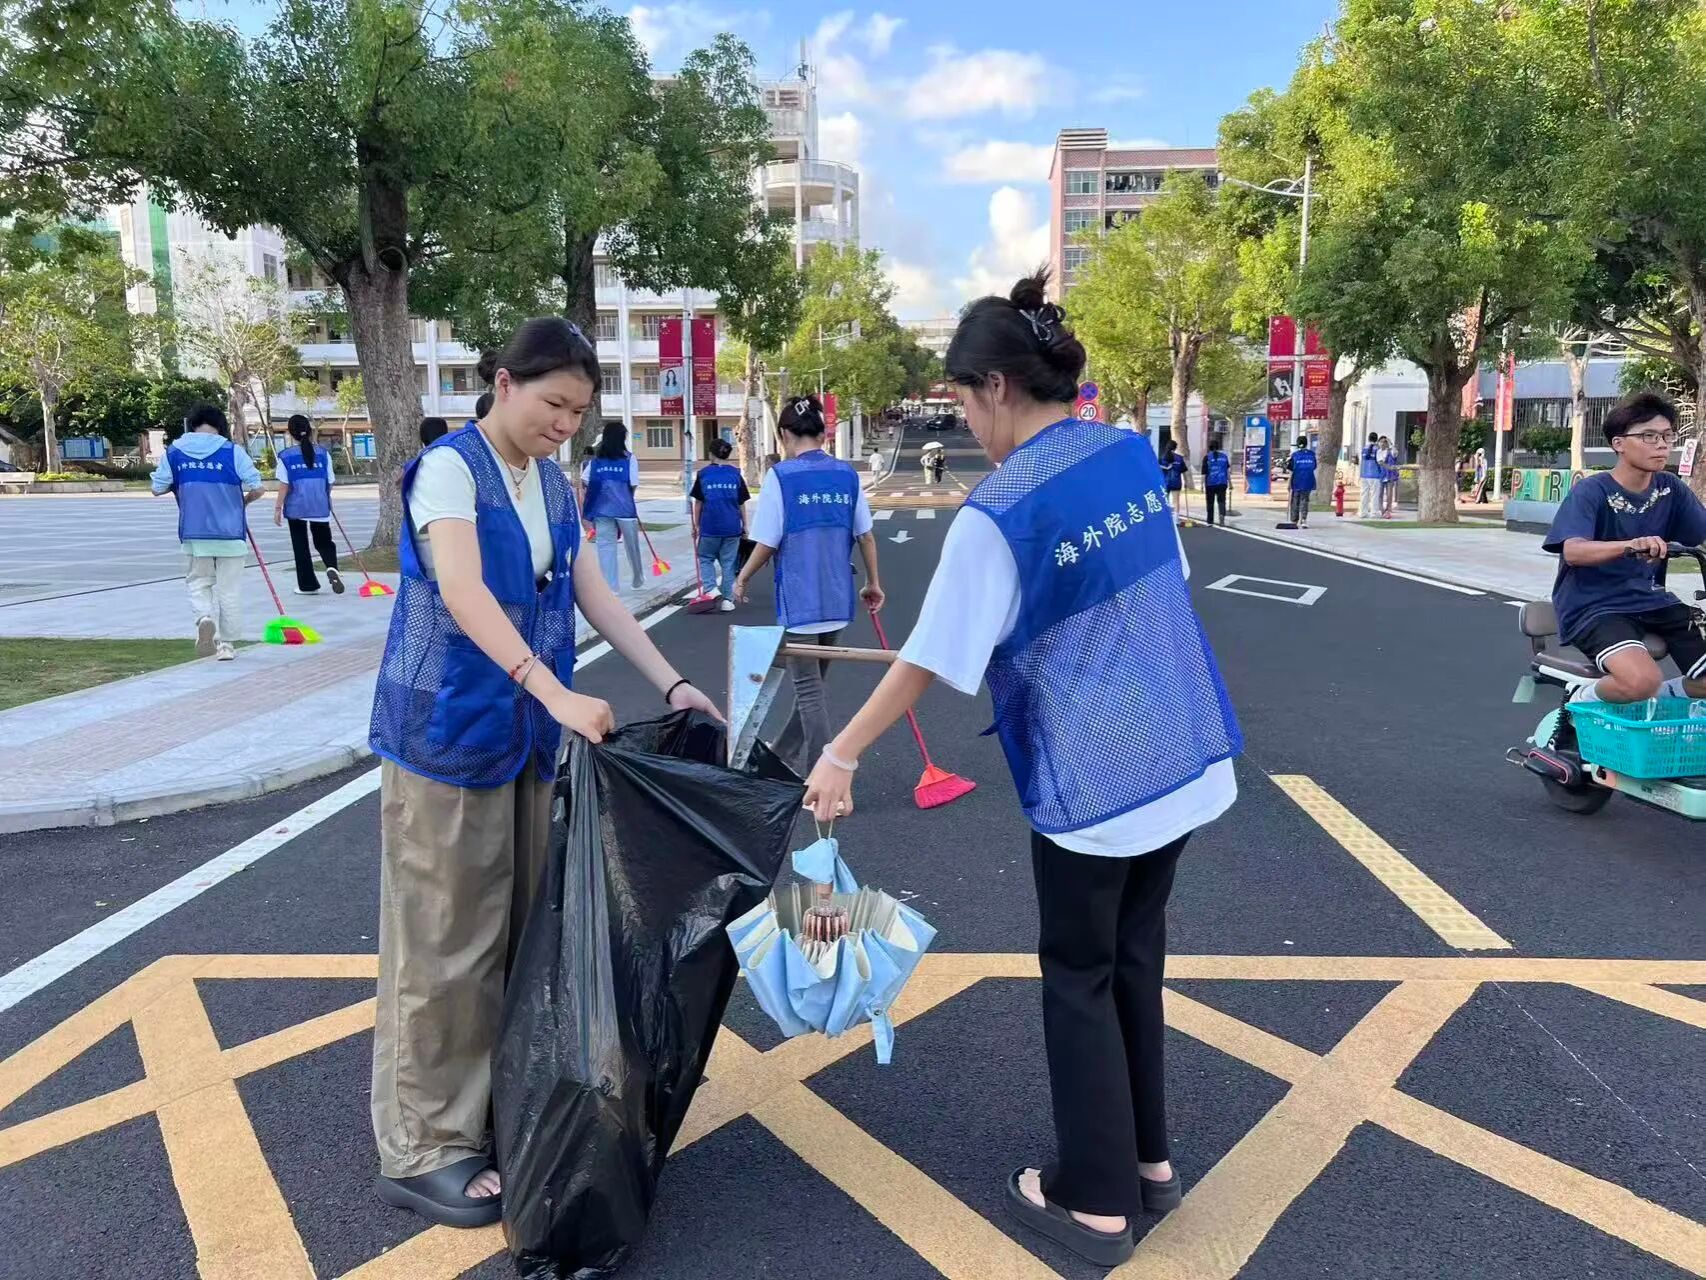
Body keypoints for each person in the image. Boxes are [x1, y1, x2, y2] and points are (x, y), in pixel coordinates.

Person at [800, 273, 1240, 1269]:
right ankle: (1149, 1164)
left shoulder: (997, 511)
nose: (964, 420)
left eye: (961, 399)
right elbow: (1161, 583)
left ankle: (1094, 1205)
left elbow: (926, 657)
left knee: (1077, 975)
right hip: (1180, 753)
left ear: (996, 385)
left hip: (1094, 781)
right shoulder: (1128, 454)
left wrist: (840, 751)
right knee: (1132, 958)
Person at [367, 317, 719, 1229]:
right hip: (447, 737)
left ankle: (483, 1113)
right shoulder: (450, 470)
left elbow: (594, 593)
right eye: (552, 404)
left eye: (577, 413)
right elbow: (462, 590)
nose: (564, 424)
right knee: (445, 945)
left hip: (524, 741)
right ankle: (421, 1146)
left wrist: (672, 681)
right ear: (503, 384)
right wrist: (554, 690)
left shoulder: (552, 485)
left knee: (516, 936)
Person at [733, 394, 884, 773]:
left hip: (801, 601)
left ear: (785, 434)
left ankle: (823, 774)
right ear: (822, 433)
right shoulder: (847, 475)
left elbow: (768, 541)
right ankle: (783, 752)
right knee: (813, 686)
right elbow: (866, 535)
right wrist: (873, 583)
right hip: (838, 598)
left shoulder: (781, 477)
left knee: (808, 692)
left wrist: (743, 577)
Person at [1542, 391, 1706, 706]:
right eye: (1648, 436)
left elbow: (1700, 535)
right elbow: (1574, 551)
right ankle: (1580, 698)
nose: (1662, 444)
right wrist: (1630, 545)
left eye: (1667, 436)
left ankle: (1655, 698)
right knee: (1641, 680)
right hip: (1594, 606)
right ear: (1619, 443)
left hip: (1652, 600)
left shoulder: (1671, 488)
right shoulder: (1592, 490)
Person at [150, 404, 265, 661]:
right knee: (229, 590)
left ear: (193, 425)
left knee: (198, 582)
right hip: (231, 532)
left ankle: (203, 617)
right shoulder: (232, 451)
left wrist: (180, 484)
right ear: (220, 425)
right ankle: (227, 646)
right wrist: (243, 503)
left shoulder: (175, 452)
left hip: (194, 531)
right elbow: (258, 487)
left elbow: (157, 488)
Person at [274, 414, 344, 596]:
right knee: (324, 541)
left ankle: (308, 585)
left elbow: (284, 485)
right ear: (310, 430)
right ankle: (331, 566)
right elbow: (330, 481)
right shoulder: (323, 454)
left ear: (290, 433)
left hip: (296, 507)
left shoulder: (285, 456)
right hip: (319, 504)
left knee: (301, 546)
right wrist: (326, 497)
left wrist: (278, 508)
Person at [578, 422, 644, 591]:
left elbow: (585, 480)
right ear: (622, 438)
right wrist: (626, 497)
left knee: (606, 547)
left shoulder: (596, 461)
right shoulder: (629, 458)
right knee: (632, 546)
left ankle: (611, 587)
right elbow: (633, 483)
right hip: (625, 509)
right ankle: (637, 578)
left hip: (602, 509)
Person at [692, 437, 749, 609]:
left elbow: (698, 503)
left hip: (709, 527)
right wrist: (745, 526)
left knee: (705, 557)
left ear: (710, 453)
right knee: (728, 563)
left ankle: (711, 588)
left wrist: (696, 525)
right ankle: (727, 601)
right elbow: (741, 503)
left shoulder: (703, 474)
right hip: (732, 527)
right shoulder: (736, 474)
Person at [1286, 435, 1317, 527]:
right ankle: (1303, 520)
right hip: (1308, 480)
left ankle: (1294, 520)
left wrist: (1288, 484)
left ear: (1297, 444)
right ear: (1306, 444)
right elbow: (1314, 467)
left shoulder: (1295, 455)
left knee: (1295, 500)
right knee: (1305, 500)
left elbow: (1291, 470)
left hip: (1297, 481)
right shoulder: (1312, 454)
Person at [1201, 435, 1231, 526]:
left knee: (1210, 502)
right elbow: (1227, 471)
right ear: (1218, 447)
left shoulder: (1207, 458)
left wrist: (1202, 485)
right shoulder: (1224, 457)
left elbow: (1204, 473)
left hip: (1210, 483)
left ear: (1209, 447)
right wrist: (1230, 483)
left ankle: (1210, 521)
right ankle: (1221, 516)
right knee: (1221, 501)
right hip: (1222, 482)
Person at [1159, 439, 1186, 517]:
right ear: (1175, 448)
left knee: (1165, 501)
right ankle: (1176, 519)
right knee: (1176, 501)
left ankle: (1165, 518)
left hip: (1165, 482)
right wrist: (1186, 481)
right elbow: (1184, 471)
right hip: (1176, 482)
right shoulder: (1180, 458)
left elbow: (1157, 469)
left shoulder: (1163, 457)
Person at [1358, 431, 1381, 518]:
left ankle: (1363, 512)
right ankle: (1374, 513)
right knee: (1374, 494)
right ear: (1377, 439)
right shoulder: (1377, 449)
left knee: (1364, 494)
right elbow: (1379, 461)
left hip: (1364, 474)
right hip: (1375, 474)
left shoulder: (1364, 448)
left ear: (1368, 438)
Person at [1378, 436, 1400, 519]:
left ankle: (1388, 510)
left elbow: (1395, 453)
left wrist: (1391, 444)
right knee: (1380, 494)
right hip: (1381, 475)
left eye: (1385, 442)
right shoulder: (1379, 452)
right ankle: (1381, 510)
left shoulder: (1391, 451)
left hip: (1390, 476)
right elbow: (1380, 462)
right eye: (1381, 441)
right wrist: (1390, 467)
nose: (1383, 443)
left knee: (1389, 494)